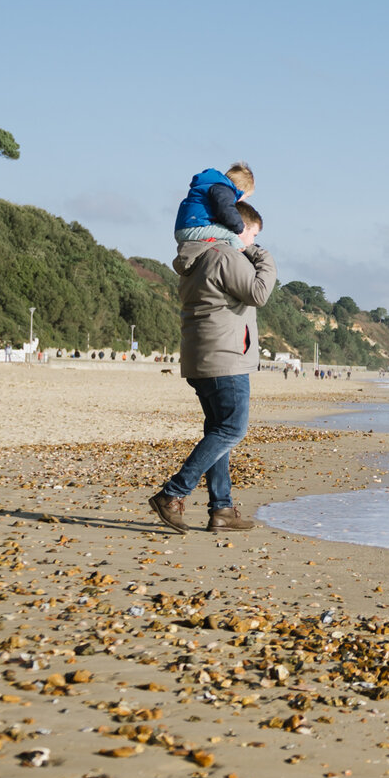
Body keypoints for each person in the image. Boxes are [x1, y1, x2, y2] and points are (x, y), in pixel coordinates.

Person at [151, 201, 274, 533]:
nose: (253, 242)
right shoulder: (225, 255)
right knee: (232, 429)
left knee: (218, 431)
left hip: (202, 355)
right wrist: (264, 259)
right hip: (225, 356)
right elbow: (258, 293)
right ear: (238, 228)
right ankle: (173, 493)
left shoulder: (199, 255)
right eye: (253, 234)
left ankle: (221, 508)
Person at [174, 163, 256, 245]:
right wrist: (239, 226)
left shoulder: (212, 186)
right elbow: (226, 210)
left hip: (185, 227)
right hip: (194, 227)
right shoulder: (223, 190)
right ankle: (238, 251)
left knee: (222, 232)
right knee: (232, 235)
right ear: (241, 189)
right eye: (246, 196)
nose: (243, 200)